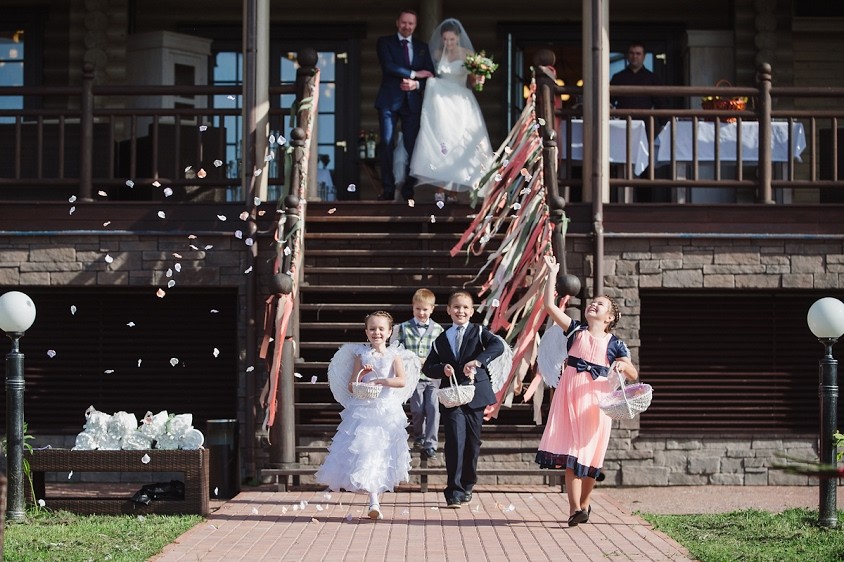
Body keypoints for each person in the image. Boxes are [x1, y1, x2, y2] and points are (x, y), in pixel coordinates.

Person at [535, 255, 638, 527]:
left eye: (600, 304)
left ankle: (584, 503)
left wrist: (622, 366)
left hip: (596, 404)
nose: (593, 304)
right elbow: (549, 306)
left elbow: (633, 373)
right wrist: (552, 273)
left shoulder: (616, 344)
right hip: (570, 399)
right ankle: (574, 509)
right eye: (593, 302)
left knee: (591, 459)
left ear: (610, 317)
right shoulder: (575, 330)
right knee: (572, 455)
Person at [316, 311, 420, 520]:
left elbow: (401, 380)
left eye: (381, 329)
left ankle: (375, 498)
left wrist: (380, 381)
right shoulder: (361, 355)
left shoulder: (394, 355)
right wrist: (362, 374)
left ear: (389, 332)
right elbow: (352, 385)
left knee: (381, 454)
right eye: (372, 329)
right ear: (366, 332)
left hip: (387, 412)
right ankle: (374, 501)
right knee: (367, 453)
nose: (376, 332)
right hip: (364, 411)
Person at [421, 290, 505, 508]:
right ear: (449, 310)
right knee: (455, 441)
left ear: (472, 311)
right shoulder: (441, 339)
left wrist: (477, 361)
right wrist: (442, 369)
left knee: (472, 442)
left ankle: (468, 483)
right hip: (452, 397)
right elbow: (428, 367)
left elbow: (498, 346)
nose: (461, 311)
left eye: (466, 307)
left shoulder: (479, 331)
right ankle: (454, 492)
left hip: (476, 394)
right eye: (456, 307)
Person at [409, 18, 494, 201]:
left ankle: (454, 192)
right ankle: (440, 189)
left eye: (452, 39)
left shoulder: (468, 54)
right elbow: (431, 73)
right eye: (445, 39)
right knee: (442, 140)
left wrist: (479, 78)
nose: (448, 43)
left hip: (461, 101)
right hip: (441, 102)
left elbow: (473, 82)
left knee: (459, 141)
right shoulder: (437, 54)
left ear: (458, 38)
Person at [375, 10, 435, 202]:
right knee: (386, 143)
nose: (407, 26)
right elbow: (389, 66)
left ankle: (408, 189)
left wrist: (416, 84)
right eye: (404, 22)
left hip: (412, 103)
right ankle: (388, 189)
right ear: (397, 23)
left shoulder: (422, 48)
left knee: (413, 146)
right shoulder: (385, 42)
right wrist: (414, 74)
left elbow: (430, 76)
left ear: (415, 26)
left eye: (411, 23)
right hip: (389, 101)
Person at [390, 288, 444, 460]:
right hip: (413, 377)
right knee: (418, 409)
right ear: (413, 307)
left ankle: (431, 444)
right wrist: (412, 359)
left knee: (433, 409)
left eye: (425, 309)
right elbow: (396, 350)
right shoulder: (403, 328)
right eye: (418, 309)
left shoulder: (438, 329)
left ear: (432, 309)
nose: (421, 313)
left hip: (433, 377)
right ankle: (419, 435)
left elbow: (442, 352)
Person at [610, 41, 666, 112]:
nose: (634, 56)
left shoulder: (653, 78)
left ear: (644, 56)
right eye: (631, 53)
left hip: (645, 118)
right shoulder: (618, 77)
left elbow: (661, 103)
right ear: (627, 55)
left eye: (638, 54)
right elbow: (608, 101)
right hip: (623, 118)